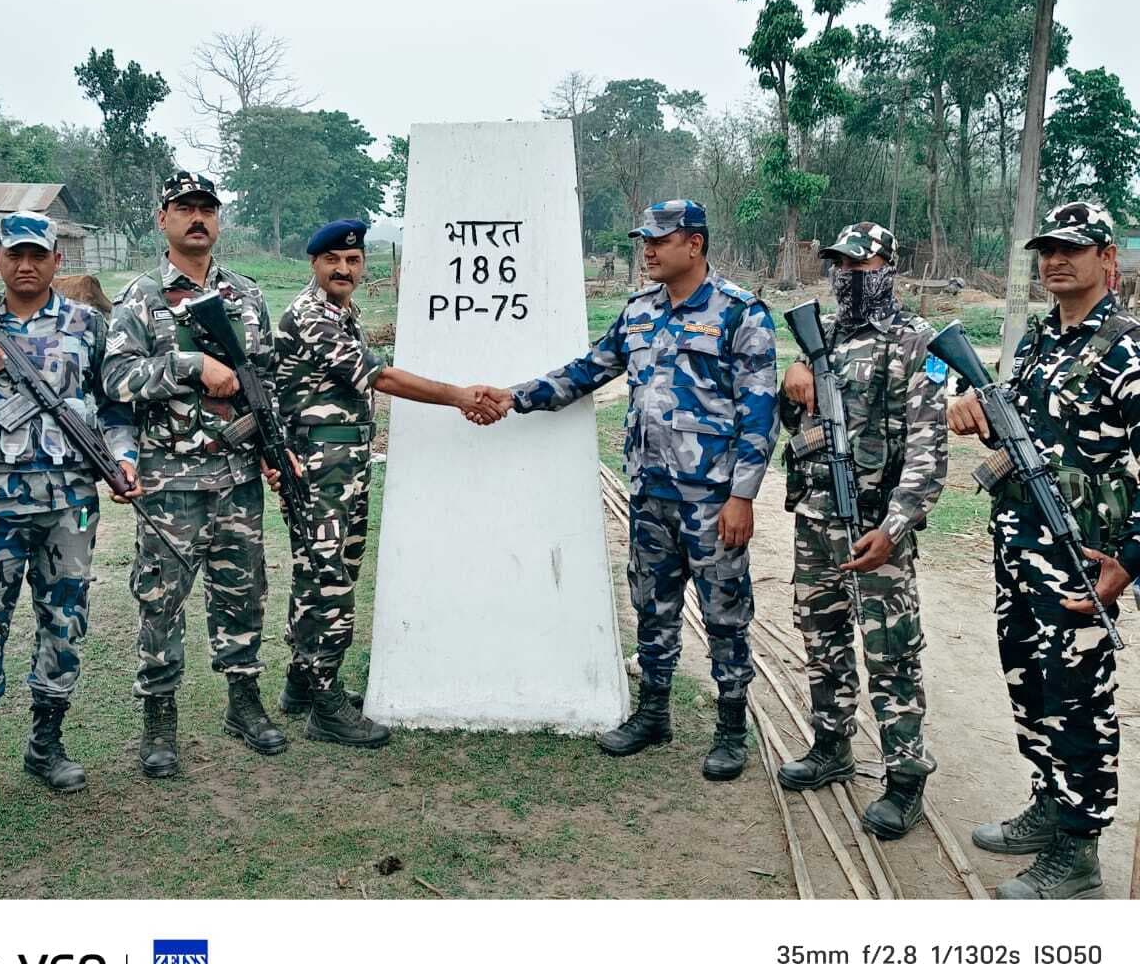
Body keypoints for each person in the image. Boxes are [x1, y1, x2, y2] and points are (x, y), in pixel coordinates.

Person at [476, 200, 778, 779]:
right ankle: (653, 714)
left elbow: (759, 414)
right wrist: (514, 397)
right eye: (645, 240)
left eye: (660, 241)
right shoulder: (640, 311)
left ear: (694, 244)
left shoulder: (741, 314)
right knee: (652, 606)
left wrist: (742, 497)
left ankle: (731, 730)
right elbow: (587, 370)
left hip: (713, 499)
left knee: (725, 613)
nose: (648, 251)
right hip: (650, 491)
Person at [949, 201, 1140, 899]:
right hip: (1018, 546)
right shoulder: (1036, 341)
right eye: (1046, 250)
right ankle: (1049, 806)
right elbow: (1015, 429)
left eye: (1072, 248)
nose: (1055, 260)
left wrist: (1131, 559)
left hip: (1083, 565)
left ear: (1106, 257)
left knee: (1078, 698)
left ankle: (1080, 849)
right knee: (1030, 684)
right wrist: (970, 406)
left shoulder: (1126, 350)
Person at [274, 219, 501, 748]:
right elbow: (380, 378)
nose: (344, 269)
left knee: (330, 569)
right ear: (314, 263)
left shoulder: (344, 313)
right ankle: (325, 703)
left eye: (353, 261)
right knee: (328, 578)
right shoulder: (310, 316)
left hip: (344, 461)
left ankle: (302, 682)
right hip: (319, 465)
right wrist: (458, 396)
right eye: (333, 260)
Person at [0, 212, 127, 818]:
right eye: (14, 254)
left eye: (37, 255)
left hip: (70, 505)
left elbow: (114, 406)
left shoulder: (87, 325)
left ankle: (46, 745)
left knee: (64, 620)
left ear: (56, 261)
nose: (25, 265)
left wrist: (122, 458)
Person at [103, 172, 289, 777]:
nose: (198, 218)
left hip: (237, 477)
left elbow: (265, 379)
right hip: (169, 483)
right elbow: (115, 379)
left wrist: (272, 446)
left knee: (243, 593)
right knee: (161, 600)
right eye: (184, 208)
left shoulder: (247, 295)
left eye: (207, 208)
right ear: (163, 219)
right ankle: (159, 719)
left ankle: (243, 702)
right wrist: (191, 365)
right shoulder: (140, 297)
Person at [775, 222, 948, 839]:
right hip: (816, 519)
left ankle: (904, 782)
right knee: (821, 640)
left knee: (892, 653)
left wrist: (894, 528)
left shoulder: (916, 342)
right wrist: (793, 375)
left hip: (877, 530)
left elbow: (929, 452)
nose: (847, 275)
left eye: (860, 265)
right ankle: (831, 746)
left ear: (887, 268)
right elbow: (793, 422)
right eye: (840, 266)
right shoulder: (818, 336)